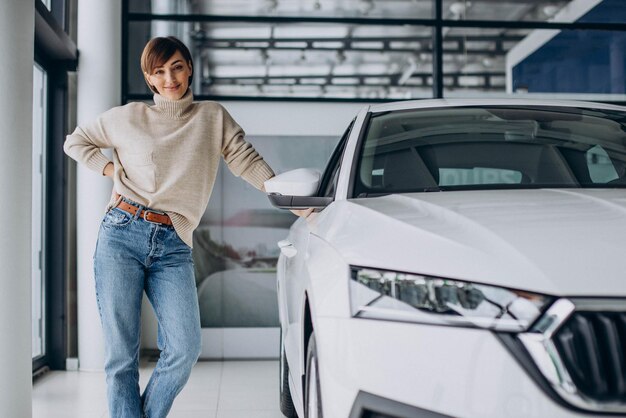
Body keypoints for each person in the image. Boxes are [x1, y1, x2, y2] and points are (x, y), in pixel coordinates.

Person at [63, 36, 309, 418]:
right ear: (149, 78)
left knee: (185, 348)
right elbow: (76, 142)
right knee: (120, 357)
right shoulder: (129, 116)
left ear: (189, 67)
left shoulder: (212, 117)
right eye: (158, 72)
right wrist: (111, 170)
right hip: (121, 233)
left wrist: (290, 200)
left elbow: (246, 160)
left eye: (176, 66)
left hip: (174, 242)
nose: (169, 78)